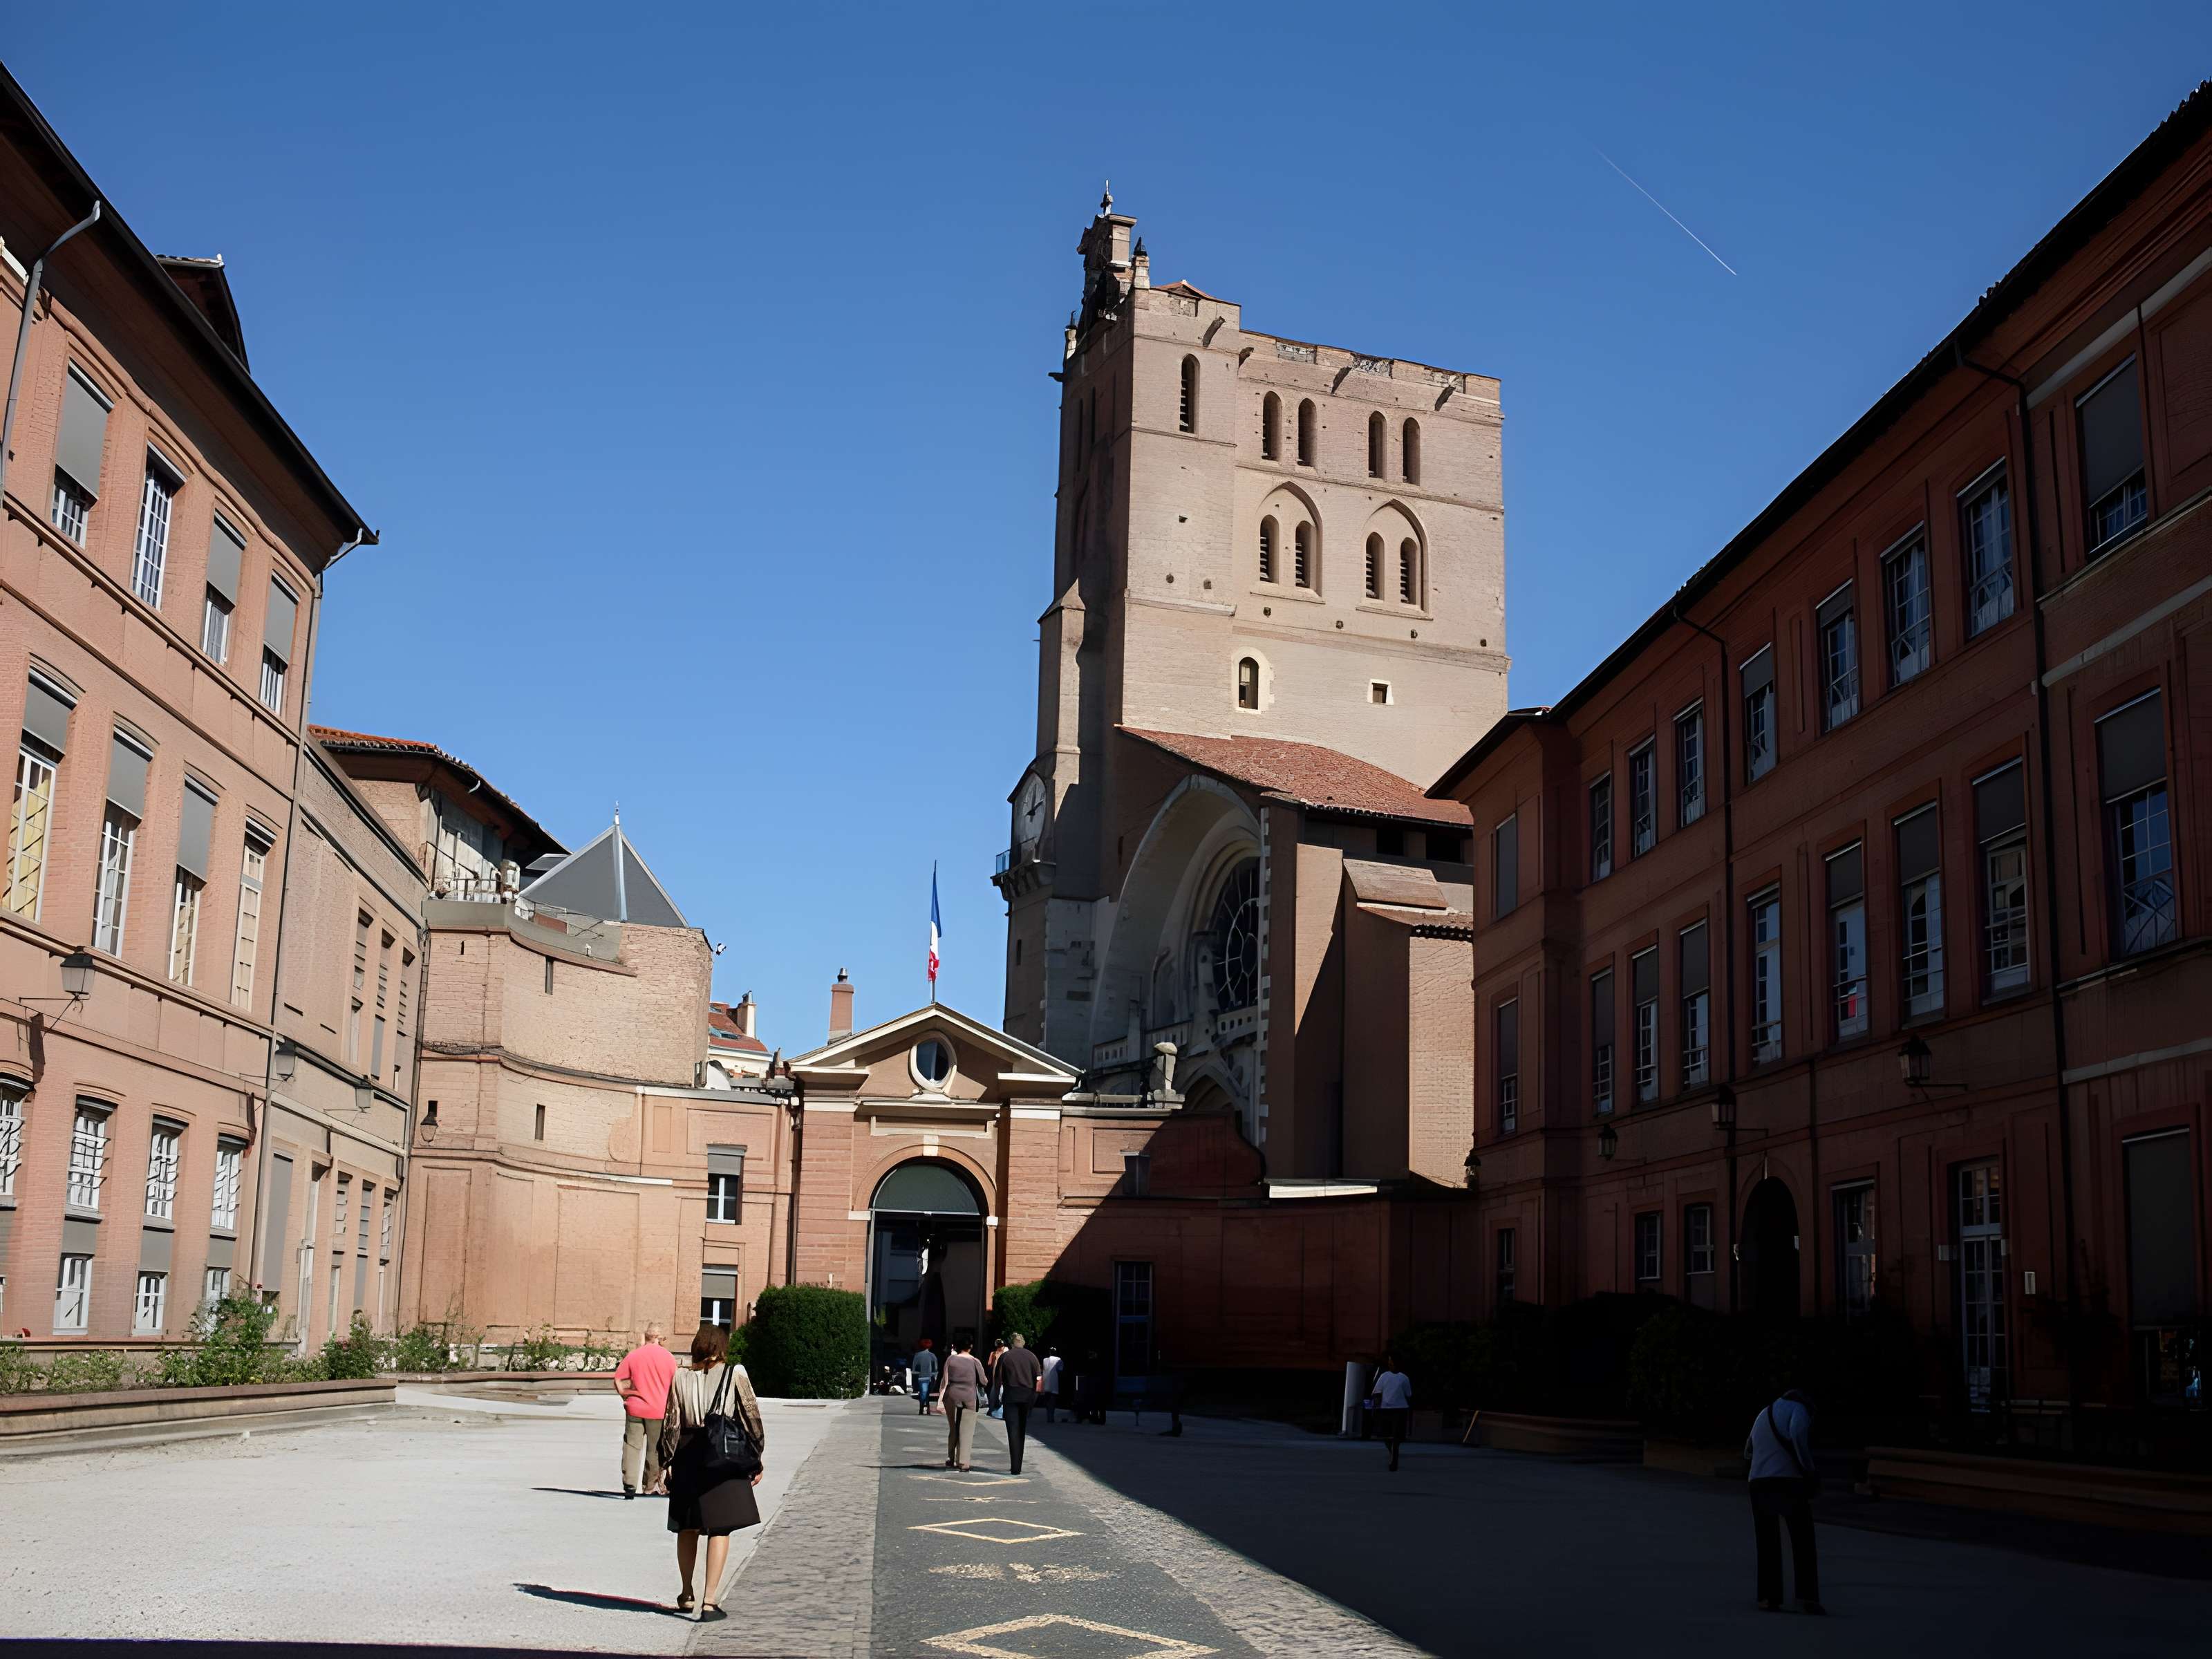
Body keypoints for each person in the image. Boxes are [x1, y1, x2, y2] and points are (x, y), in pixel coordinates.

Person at [657, 1324, 765, 1623]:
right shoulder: (735, 1374)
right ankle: (710, 1601)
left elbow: (671, 1423)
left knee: (687, 1526)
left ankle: (686, 1592)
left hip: (688, 1454)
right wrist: (755, 1458)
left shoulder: (679, 1377)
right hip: (723, 1455)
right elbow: (751, 1417)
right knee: (720, 1528)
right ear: (721, 1348)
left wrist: (666, 1463)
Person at [1743, 1388, 1824, 1615]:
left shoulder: (1763, 1413)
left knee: (1767, 1540)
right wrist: (1808, 1468)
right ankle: (1807, 1598)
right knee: (1802, 1539)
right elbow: (1798, 1434)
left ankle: (1768, 1598)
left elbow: (1748, 1449)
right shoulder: (1799, 1410)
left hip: (1758, 1483)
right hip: (1788, 1482)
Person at [612, 1322, 677, 1499]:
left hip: (635, 1408)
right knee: (654, 1449)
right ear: (660, 1338)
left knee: (632, 1446)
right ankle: (648, 1487)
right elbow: (676, 1385)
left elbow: (618, 1379)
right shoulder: (669, 1358)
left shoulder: (634, 1356)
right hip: (658, 1410)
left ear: (646, 1336)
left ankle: (630, 1485)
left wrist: (625, 1396)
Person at [996, 1332, 1044, 1473]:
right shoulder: (1032, 1357)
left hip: (1011, 1394)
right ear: (1023, 1343)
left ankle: (1015, 1466)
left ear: (1012, 1344)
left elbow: (998, 1379)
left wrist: (996, 1399)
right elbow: (1039, 1380)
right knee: (1022, 1430)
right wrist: (1035, 1397)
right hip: (1027, 1395)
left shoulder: (1005, 1357)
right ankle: (1019, 1465)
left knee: (1012, 1430)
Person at [939, 1336, 988, 1472]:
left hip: (952, 1396)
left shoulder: (951, 1360)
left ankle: (950, 1458)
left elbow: (945, 1380)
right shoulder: (975, 1361)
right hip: (969, 1397)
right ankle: (963, 1462)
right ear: (971, 1347)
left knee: (953, 1428)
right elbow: (984, 1382)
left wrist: (941, 1398)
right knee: (966, 1430)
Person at [1370, 1354, 1412, 1472]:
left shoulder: (1404, 1378)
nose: (1390, 1364)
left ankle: (1394, 1460)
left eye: (1391, 1362)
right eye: (1389, 1362)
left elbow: (1408, 1395)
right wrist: (1376, 1406)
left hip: (1400, 1410)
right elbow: (1377, 1392)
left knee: (1396, 1437)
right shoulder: (1384, 1376)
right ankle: (1392, 1452)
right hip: (1386, 1410)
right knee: (1386, 1436)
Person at [911, 1338, 939, 1415]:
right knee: (926, 1393)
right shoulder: (933, 1356)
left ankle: (922, 1407)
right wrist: (934, 1377)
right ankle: (926, 1407)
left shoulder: (918, 1356)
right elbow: (935, 1369)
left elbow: (915, 1369)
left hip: (921, 1377)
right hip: (930, 1377)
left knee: (924, 1393)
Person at [984, 1338, 1008, 1417]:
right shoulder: (996, 1353)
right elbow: (989, 1364)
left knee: (997, 1393)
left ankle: (993, 1409)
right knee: (996, 1393)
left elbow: (989, 1364)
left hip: (1000, 1376)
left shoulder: (999, 1353)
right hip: (997, 1376)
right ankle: (992, 1409)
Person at [1039, 1346, 1062, 1423]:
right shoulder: (1059, 1359)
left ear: (1049, 1352)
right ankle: (1051, 1417)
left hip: (1045, 1383)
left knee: (1047, 1401)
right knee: (1053, 1401)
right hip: (1054, 1383)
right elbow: (1060, 1369)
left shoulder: (1045, 1360)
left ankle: (1049, 1417)